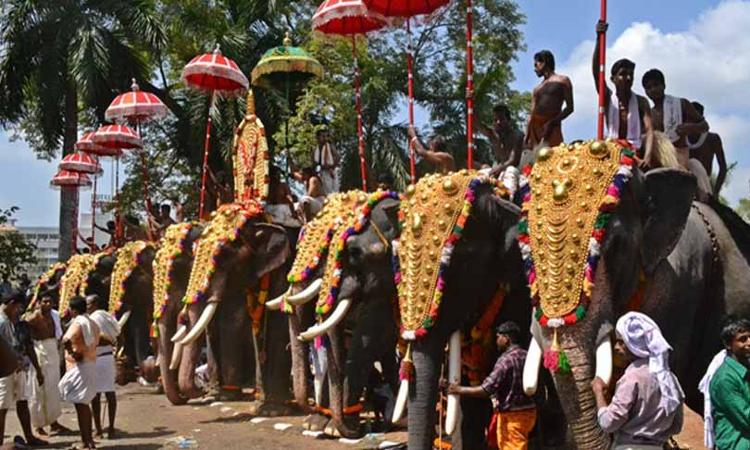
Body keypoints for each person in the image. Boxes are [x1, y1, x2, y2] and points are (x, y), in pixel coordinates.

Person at [592, 312, 684, 449]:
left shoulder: (631, 379)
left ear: (636, 344)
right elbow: (676, 426)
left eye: (622, 342)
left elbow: (608, 423)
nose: (616, 347)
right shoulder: (670, 379)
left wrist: (599, 392)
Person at [447, 321, 536, 450]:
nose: (496, 340)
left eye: (498, 337)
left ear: (506, 339)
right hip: (529, 413)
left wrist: (458, 389)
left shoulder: (505, 361)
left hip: (512, 415)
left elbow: (486, 389)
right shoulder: (526, 355)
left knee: (513, 446)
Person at [593, 21, 655, 167]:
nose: (628, 78)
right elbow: (597, 73)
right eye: (622, 74)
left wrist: (647, 157)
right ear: (613, 79)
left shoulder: (641, 102)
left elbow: (650, 130)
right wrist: (598, 39)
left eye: (630, 74)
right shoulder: (607, 97)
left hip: (634, 149)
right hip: (611, 149)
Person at [0, 290, 47, 447]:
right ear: (12, 304)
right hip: (3, 370)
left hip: (19, 368)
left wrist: (36, 369)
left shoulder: (18, 323)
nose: (20, 310)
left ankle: (29, 437)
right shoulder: (1, 322)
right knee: (2, 406)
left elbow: (27, 347)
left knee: (22, 401)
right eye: (19, 307)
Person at [641, 69, 709, 169]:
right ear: (646, 92)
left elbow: (705, 126)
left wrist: (691, 127)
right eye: (649, 87)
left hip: (680, 156)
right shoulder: (648, 116)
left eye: (656, 85)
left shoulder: (681, 104)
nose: (653, 90)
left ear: (664, 86)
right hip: (656, 162)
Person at [25, 292, 69, 436]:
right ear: (38, 303)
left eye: (50, 302)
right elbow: (24, 337)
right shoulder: (32, 318)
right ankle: (38, 425)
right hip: (40, 352)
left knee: (53, 388)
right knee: (38, 389)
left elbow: (61, 332)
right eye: (45, 302)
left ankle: (54, 422)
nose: (48, 305)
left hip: (52, 351)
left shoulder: (55, 315)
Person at [59, 295, 100, 450]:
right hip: (90, 364)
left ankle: (86, 441)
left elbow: (65, 339)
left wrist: (73, 353)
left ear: (72, 310)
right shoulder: (92, 323)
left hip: (79, 366)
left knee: (81, 404)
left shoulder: (78, 323)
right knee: (84, 403)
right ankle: (88, 440)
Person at [707, 318, 750, 449]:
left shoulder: (745, 371)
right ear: (728, 345)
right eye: (743, 339)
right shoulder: (725, 379)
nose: (749, 342)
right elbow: (746, 416)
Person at [525, 50, 574, 150]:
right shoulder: (537, 89)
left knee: (553, 156)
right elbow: (532, 113)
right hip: (535, 129)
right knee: (534, 160)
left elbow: (570, 108)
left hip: (552, 126)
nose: (534, 69)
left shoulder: (563, 80)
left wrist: (552, 122)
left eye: (536, 64)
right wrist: (527, 135)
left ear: (544, 63)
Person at [86, 294, 120, 439]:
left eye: (88, 304)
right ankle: (107, 428)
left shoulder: (94, 318)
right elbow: (118, 333)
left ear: (94, 304)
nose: (86, 306)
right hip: (106, 357)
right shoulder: (108, 316)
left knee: (98, 395)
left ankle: (100, 429)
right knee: (108, 393)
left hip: (99, 357)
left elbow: (98, 338)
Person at [689, 102, 727, 197]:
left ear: (701, 118)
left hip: (704, 186)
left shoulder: (712, 139)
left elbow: (722, 167)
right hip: (685, 186)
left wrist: (716, 192)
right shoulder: (681, 138)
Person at [476, 104, 524, 174]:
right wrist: (472, 105)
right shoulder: (493, 134)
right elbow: (478, 125)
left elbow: (513, 161)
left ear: (508, 120)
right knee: (480, 173)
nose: (498, 122)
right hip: (497, 169)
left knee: (511, 171)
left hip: (513, 171)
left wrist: (499, 169)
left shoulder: (517, 136)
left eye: (501, 119)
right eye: (495, 120)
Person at [313, 129, 340, 194]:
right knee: (327, 194)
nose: (325, 138)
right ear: (317, 137)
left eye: (326, 136)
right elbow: (315, 163)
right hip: (323, 173)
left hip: (332, 172)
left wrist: (331, 168)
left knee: (336, 192)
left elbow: (337, 157)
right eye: (323, 136)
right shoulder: (315, 150)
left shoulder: (330, 146)